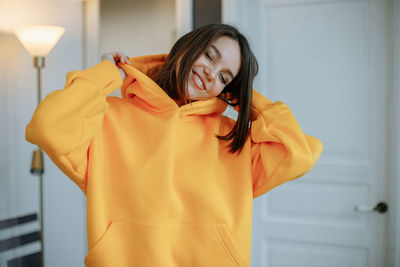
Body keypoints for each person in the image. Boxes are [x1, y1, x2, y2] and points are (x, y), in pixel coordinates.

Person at [25, 23, 323, 267]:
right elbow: (49, 126)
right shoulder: (108, 118)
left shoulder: (234, 139)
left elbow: (297, 154)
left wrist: (246, 99)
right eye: (209, 56)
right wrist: (107, 73)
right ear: (185, 47)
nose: (210, 72)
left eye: (224, 76)